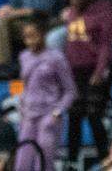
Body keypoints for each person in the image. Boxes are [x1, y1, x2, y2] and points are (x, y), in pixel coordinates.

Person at [62, 0, 112, 165]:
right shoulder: (71, 13)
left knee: (94, 115)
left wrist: (99, 72)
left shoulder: (102, 10)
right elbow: (70, 44)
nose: (73, 2)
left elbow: (106, 45)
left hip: (94, 70)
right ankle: (72, 161)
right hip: (74, 71)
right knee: (74, 116)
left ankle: (105, 159)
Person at [15, 18, 75, 171]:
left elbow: (70, 91)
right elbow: (23, 85)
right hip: (29, 114)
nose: (30, 41)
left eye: (34, 35)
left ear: (43, 34)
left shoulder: (57, 57)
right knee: (22, 159)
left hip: (49, 114)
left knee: (43, 160)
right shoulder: (23, 56)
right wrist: (20, 105)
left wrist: (57, 112)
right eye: (26, 37)